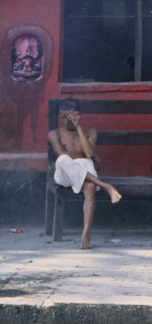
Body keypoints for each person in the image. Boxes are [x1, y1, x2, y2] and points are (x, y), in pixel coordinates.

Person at [47, 99, 122, 249]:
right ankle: (106, 186)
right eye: (62, 117)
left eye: (70, 117)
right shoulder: (54, 134)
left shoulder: (90, 131)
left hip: (84, 165)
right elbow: (62, 154)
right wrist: (91, 156)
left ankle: (86, 234)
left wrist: (78, 127)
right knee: (62, 159)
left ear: (79, 115)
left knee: (90, 187)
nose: (66, 121)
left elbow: (88, 153)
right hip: (65, 170)